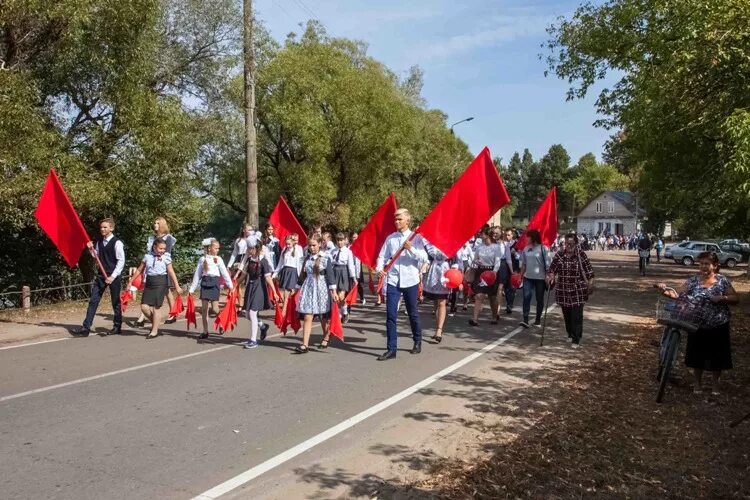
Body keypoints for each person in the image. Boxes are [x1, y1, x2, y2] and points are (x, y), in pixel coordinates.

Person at [657, 252, 738, 395]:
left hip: (718, 323)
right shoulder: (693, 281)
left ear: (715, 265)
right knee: (696, 355)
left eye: (707, 263)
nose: (703, 266)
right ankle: (697, 384)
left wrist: (721, 298)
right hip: (696, 324)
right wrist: (664, 290)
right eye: (701, 263)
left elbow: (735, 298)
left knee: (717, 356)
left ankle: (715, 385)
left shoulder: (722, 281)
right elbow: (677, 294)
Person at [375, 208, 428, 360]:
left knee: (412, 313)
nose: (397, 221)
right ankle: (392, 349)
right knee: (390, 315)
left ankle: (417, 340)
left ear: (407, 220)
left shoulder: (415, 238)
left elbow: (424, 257)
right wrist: (380, 269)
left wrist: (411, 248)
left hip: (410, 280)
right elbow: (382, 256)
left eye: (400, 219)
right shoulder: (391, 238)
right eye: (395, 219)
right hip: (393, 280)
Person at [72, 218, 126, 337]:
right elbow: (96, 256)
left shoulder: (117, 243)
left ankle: (117, 326)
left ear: (111, 228)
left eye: (105, 227)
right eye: (101, 227)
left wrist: (112, 276)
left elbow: (121, 261)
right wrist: (91, 248)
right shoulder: (99, 241)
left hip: (113, 276)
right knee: (93, 301)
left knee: (115, 302)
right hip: (101, 275)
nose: (102, 229)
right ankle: (86, 327)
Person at [127, 238, 183, 339]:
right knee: (144, 306)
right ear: (154, 247)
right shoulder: (147, 257)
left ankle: (154, 330)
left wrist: (177, 286)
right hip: (149, 282)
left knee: (156, 307)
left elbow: (171, 272)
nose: (162, 251)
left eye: (164, 249)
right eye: (160, 248)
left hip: (161, 282)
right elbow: (140, 270)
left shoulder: (166, 257)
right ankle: (155, 322)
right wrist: (131, 281)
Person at [546, 233, 595, 348]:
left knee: (576, 316)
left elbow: (590, 273)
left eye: (571, 243)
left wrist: (590, 285)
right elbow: (552, 270)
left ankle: (576, 338)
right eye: (567, 243)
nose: (569, 246)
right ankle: (570, 333)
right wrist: (551, 277)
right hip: (563, 291)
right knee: (567, 316)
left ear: (576, 244)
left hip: (578, 291)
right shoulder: (559, 255)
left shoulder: (581, 255)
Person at [295, 236, 337, 353]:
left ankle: (326, 336)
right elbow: (302, 275)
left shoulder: (325, 258)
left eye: (314, 245)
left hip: (321, 288)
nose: (312, 248)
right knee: (308, 316)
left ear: (319, 244)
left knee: (323, 317)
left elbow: (330, 275)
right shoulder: (306, 258)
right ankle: (305, 345)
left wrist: (333, 291)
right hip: (309, 288)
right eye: (310, 245)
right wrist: (296, 289)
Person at [135, 217, 178, 327]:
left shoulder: (168, 238)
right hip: (152, 266)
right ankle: (142, 316)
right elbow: (149, 252)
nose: (155, 225)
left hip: (163, 265)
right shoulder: (152, 238)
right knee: (150, 290)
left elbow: (166, 253)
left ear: (162, 225)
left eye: (157, 223)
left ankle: (173, 313)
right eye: (154, 223)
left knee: (167, 290)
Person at [189, 238, 234, 340]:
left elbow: (224, 273)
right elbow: (197, 275)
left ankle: (221, 322)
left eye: (218, 248)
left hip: (214, 283)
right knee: (204, 309)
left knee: (214, 308)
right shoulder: (202, 259)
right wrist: (191, 289)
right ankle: (205, 331)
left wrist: (230, 286)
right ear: (209, 248)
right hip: (205, 283)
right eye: (216, 248)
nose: (218, 250)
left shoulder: (218, 259)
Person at [238, 241, 279, 349]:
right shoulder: (248, 259)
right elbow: (243, 275)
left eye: (250, 248)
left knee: (252, 313)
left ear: (256, 249)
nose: (248, 250)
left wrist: (274, 292)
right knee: (246, 314)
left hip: (259, 287)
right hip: (250, 287)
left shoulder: (263, 261)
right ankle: (263, 326)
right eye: (248, 248)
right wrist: (235, 285)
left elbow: (268, 277)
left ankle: (253, 340)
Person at [423, 241, 461, 343]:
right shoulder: (431, 243)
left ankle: (439, 330)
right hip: (434, 272)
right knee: (436, 302)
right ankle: (438, 328)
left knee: (442, 302)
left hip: (446, 272)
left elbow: (456, 260)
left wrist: (454, 271)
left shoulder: (450, 243)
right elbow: (426, 256)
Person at [469, 227, 503, 327]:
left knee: (492, 297)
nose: (480, 235)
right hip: (481, 272)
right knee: (479, 295)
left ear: (487, 235)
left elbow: (498, 262)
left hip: (492, 272)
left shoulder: (496, 247)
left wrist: (494, 273)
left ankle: (494, 316)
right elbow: (474, 260)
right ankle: (474, 319)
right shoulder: (479, 247)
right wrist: (474, 264)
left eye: (482, 233)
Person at [519, 229, 551, 328]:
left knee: (539, 299)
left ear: (533, 237)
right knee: (526, 297)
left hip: (540, 278)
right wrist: (520, 276)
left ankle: (537, 320)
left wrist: (548, 276)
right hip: (528, 277)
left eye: (527, 237)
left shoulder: (544, 248)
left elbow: (548, 265)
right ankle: (525, 319)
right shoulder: (526, 249)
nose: (526, 238)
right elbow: (524, 264)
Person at [273, 235, 304, 322]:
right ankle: (286, 311)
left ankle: (286, 312)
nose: (288, 245)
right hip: (285, 271)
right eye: (286, 244)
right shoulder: (284, 251)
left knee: (290, 293)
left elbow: (300, 264)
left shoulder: (298, 250)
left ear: (293, 243)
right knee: (285, 294)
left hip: (293, 272)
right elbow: (280, 263)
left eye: (289, 244)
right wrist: (275, 274)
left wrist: (300, 276)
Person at [329, 233, 357, 322]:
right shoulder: (333, 251)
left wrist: (354, 277)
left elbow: (350, 265)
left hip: (344, 272)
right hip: (335, 272)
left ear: (345, 241)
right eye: (338, 240)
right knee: (335, 295)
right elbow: (330, 263)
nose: (340, 242)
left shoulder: (348, 251)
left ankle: (344, 312)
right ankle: (339, 314)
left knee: (341, 296)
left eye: (341, 240)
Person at [500, 228, 518, 315]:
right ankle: (508, 303)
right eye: (506, 235)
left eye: (509, 235)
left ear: (512, 235)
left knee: (512, 287)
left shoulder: (517, 244)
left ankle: (510, 304)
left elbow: (520, 256)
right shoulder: (503, 244)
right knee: (506, 287)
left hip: (514, 267)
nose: (507, 236)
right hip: (505, 268)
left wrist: (515, 253)